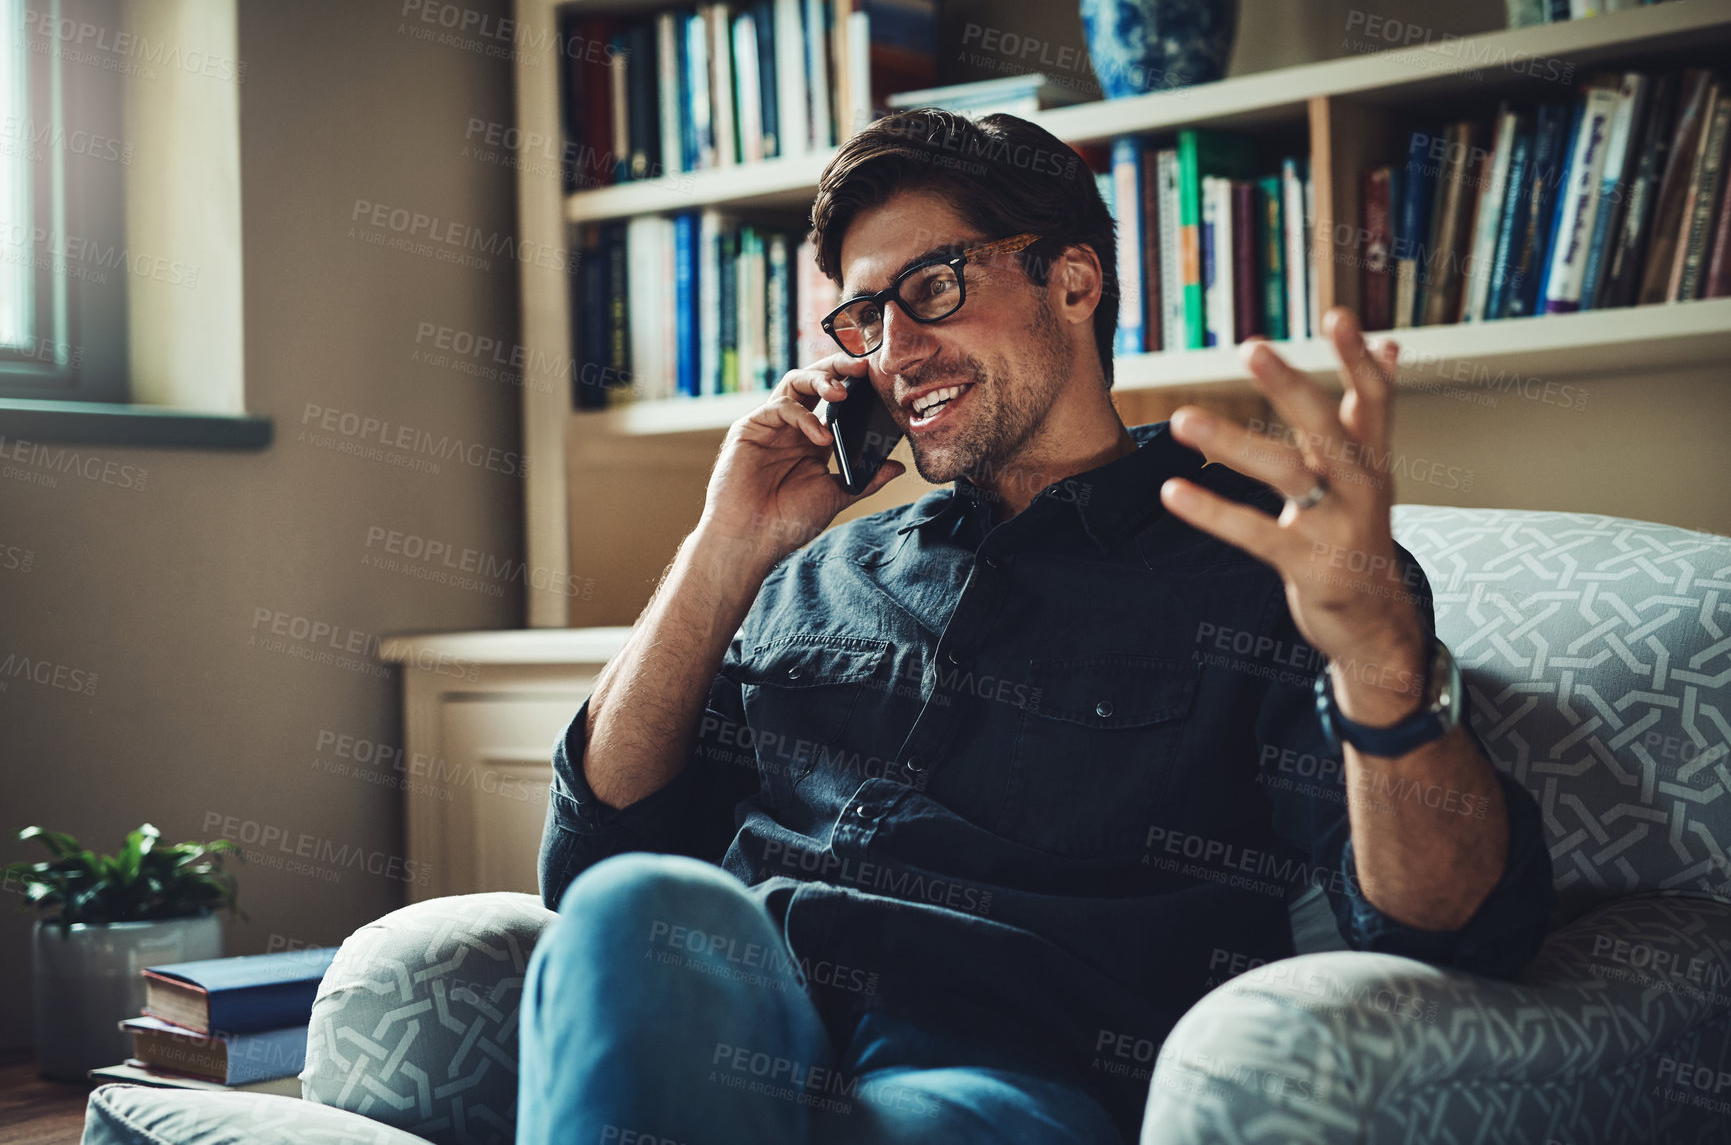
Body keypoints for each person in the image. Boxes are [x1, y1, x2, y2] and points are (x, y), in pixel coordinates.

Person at [517, 108, 1554, 1145]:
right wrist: (724, 545)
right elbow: (592, 857)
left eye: (931, 288)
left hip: (1003, 1065)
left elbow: (1455, 926)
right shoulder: (817, 570)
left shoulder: (1267, 568)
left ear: (1073, 281)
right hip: (747, 1012)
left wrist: (1378, 659)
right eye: (863, 318)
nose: (895, 353)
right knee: (630, 908)